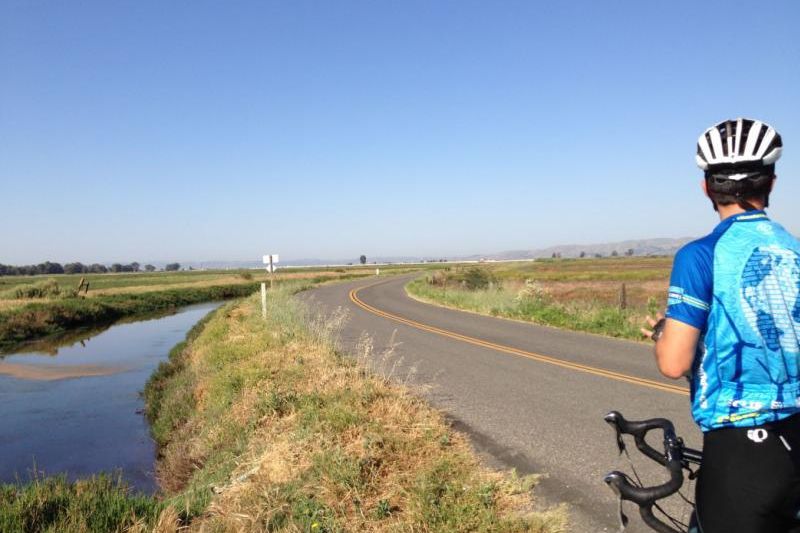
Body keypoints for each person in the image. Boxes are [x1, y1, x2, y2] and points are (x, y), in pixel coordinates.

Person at [642, 118, 800, 532]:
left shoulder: (700, 255)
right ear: (772, 182)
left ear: (707, 188)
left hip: (743, 451)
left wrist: (662, 335)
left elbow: (674, 362)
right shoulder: (795, 251)